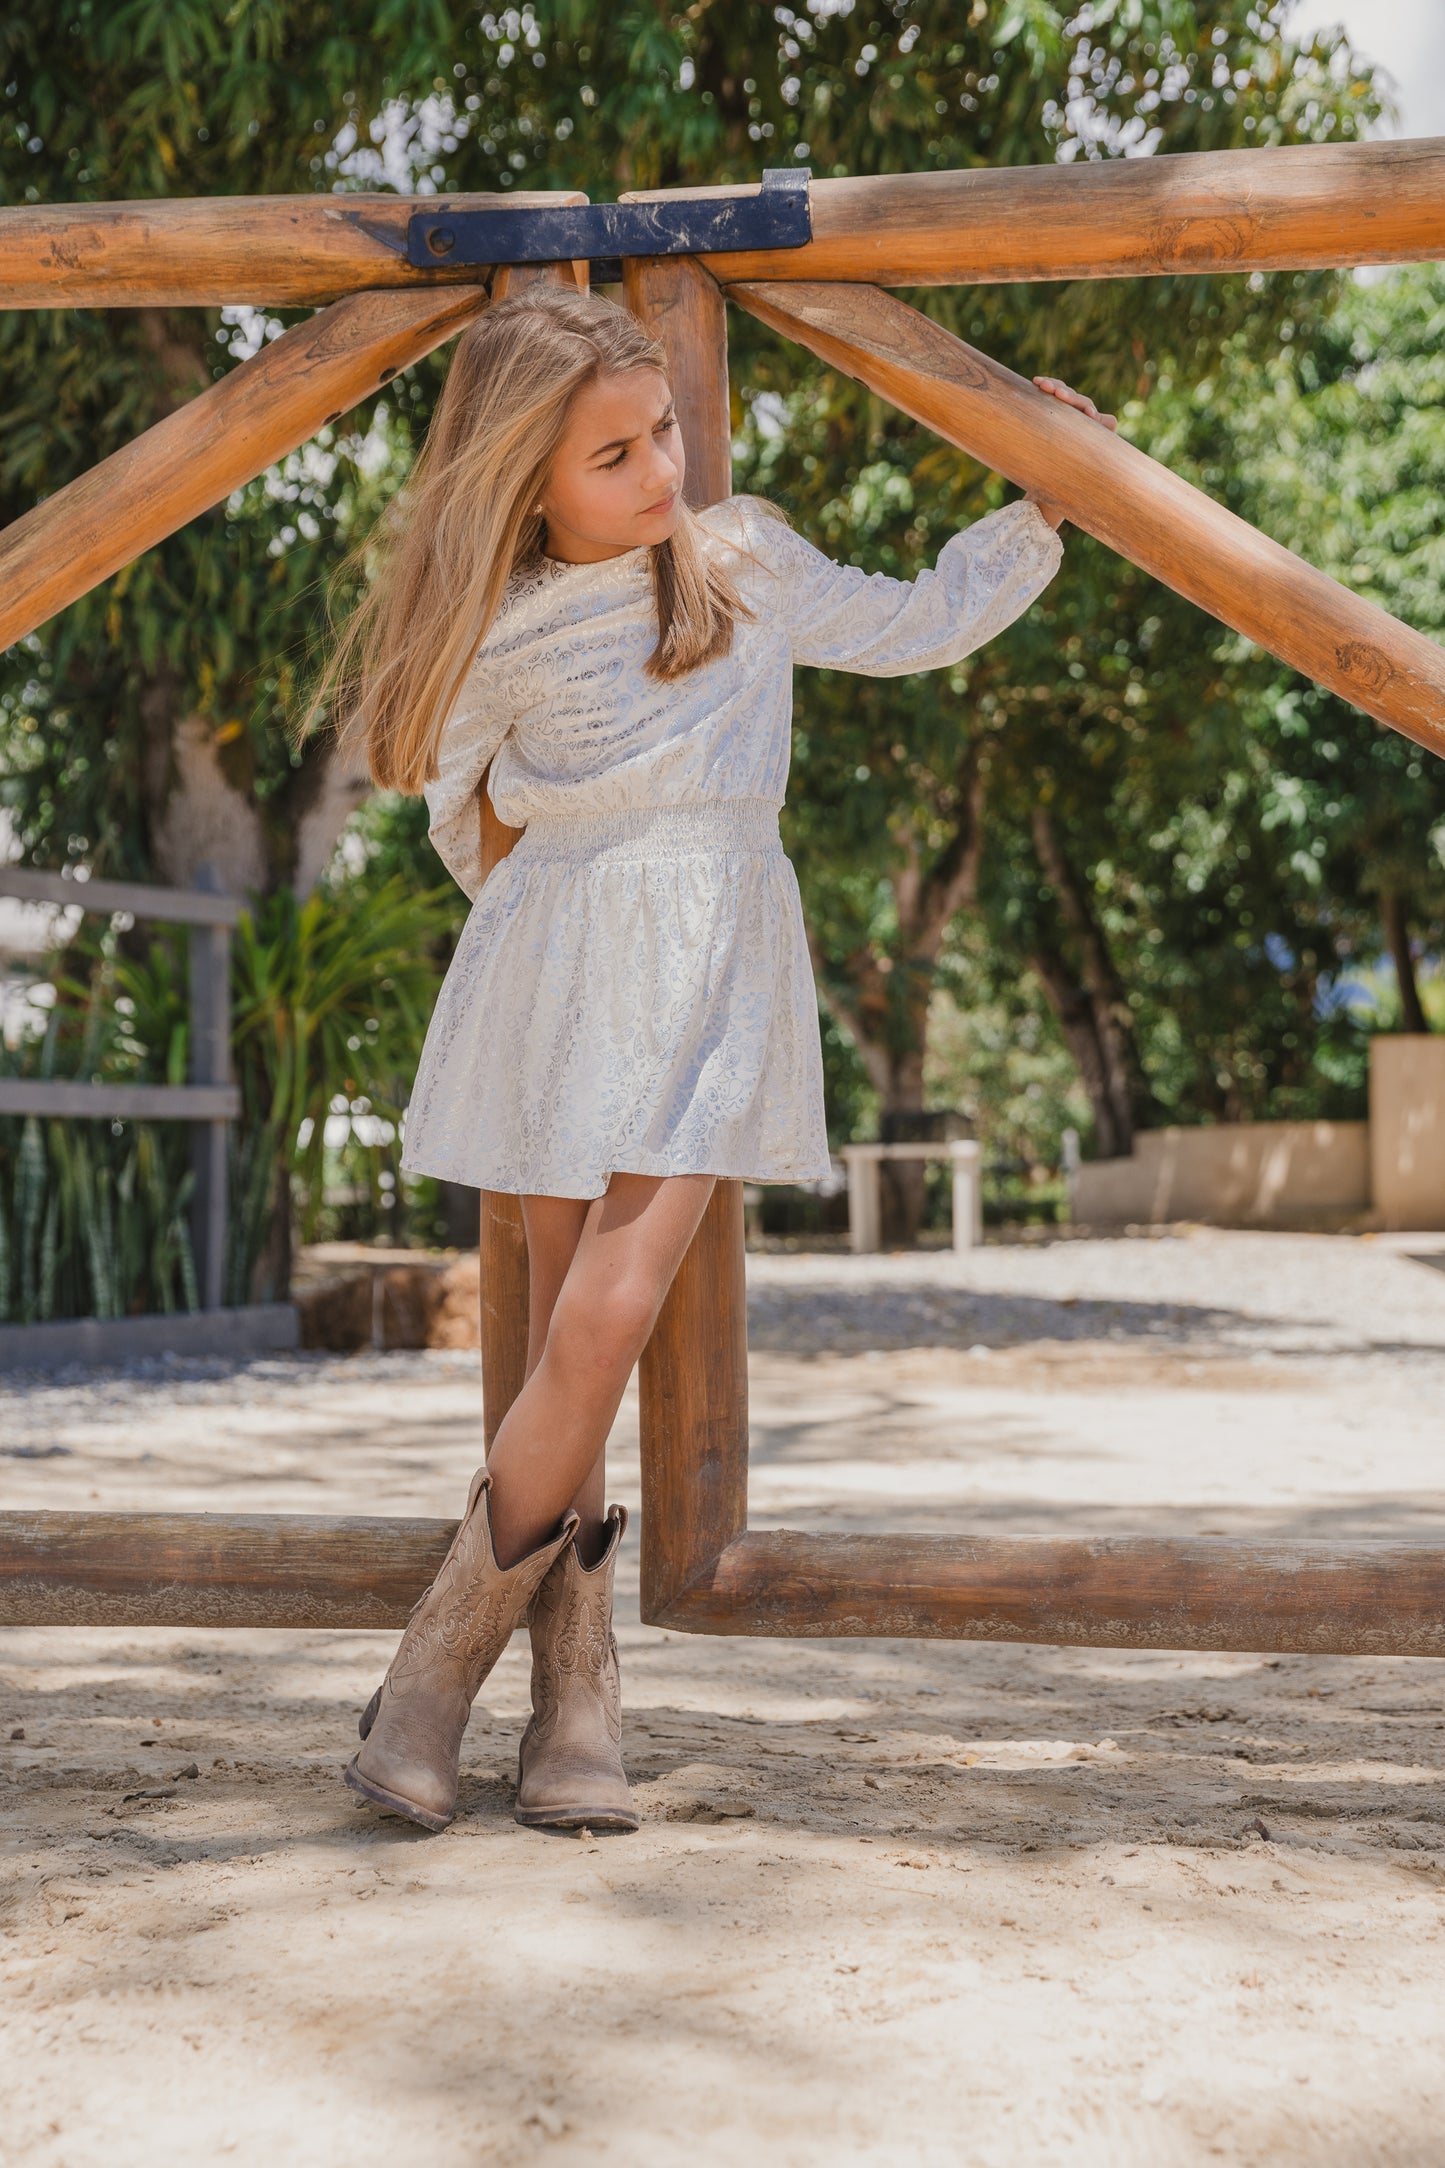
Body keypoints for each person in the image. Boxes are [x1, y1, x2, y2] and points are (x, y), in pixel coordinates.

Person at [313, 283, 1115, 1836]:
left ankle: (429, 1674)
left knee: (608, 1313)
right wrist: (560, 924)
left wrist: (1041, 505)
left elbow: (912, 621)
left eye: (661, 431)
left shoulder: (738, 557)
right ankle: (572, 1699)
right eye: (612, 454)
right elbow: (455, 809)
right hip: (563, 973)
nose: (660, 469)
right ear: (524, 482)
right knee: (570, 1342)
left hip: (714, 971)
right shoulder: (502, 625)